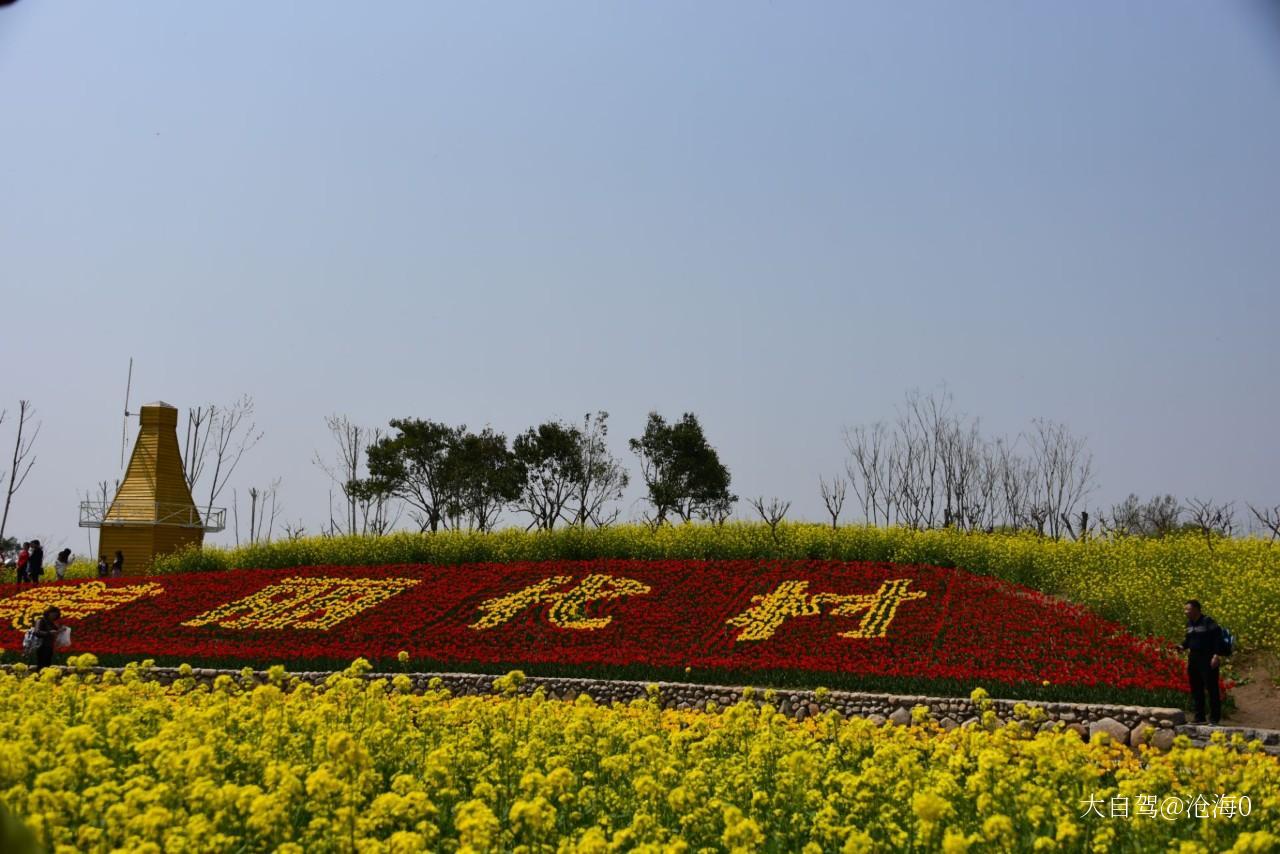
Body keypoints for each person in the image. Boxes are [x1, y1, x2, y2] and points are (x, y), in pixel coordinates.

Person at [1181, 599, 1223, 725]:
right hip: (1194, 658)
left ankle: (1214, 718)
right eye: (1185, 609)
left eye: (1188, 609)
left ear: (1196, 610)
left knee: (1212, 688)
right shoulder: (1189, 624)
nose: (1185, 612)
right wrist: (1181, 646)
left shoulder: (1208, 622)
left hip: (1208, 658)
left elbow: (1218, 639)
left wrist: (1216, 655)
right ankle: (1199, 717)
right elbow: (1188, 640)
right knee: (1196, 688)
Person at [32, 606, 61, 671]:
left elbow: (55, 632)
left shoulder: (52, 623)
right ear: (48, 613)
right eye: (53, 615)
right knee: (41, 665)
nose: (54, 617)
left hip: (49, 646)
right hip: (41, 646)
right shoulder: (40, 620)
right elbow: (37, 632)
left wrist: (61, 630)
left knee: (47, 665)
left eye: (56, 615)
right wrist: (49, 633)